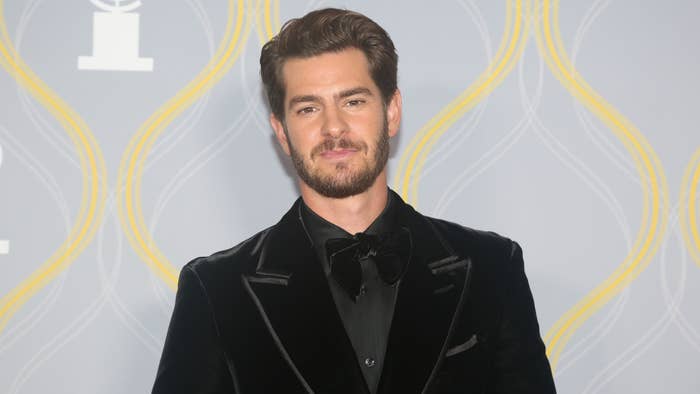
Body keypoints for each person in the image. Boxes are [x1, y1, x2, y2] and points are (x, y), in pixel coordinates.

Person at [152, 8, 556, 394]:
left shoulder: (491, 268)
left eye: (353, 101)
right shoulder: (216, 289)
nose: (333, 127)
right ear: (281, 130)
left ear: (392, 111)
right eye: (308, 108)